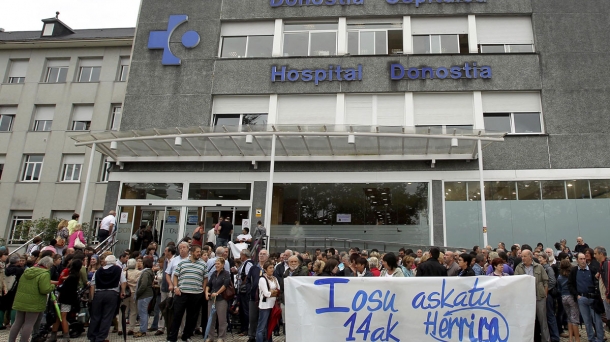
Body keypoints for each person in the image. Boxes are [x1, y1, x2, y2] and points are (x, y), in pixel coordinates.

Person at [8, 256, 55, 342]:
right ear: (48, 265)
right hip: (34, 302)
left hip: (21, 300)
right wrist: (52, 286)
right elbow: (44, 289)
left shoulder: (27, 271)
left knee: (17, 322)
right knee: (29, 324)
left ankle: (11, 340)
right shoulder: (44, 274)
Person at [170, 245, 207, 342]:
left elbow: (205, 278)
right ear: (192, 252)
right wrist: (175, 287)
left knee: (192, 317)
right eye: (198, 252)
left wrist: (202, 290)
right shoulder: (182, 263)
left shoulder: (203, 264)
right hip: (182, 293)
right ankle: (172, 337)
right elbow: (175, 276)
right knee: (177, 315)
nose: (199, 254)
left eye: (200, 252)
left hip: (196, 294)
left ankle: (186, 336)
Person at [87, 255, 127, 342]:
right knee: (107, 316)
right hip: (112, 294)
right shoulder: (118, 270)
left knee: (96, 316)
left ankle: (92, 336)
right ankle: (101, 337)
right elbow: (123, 282)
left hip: (99, 294)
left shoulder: (98, 271)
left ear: (106, 261)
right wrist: (122, 292)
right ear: (114, 262)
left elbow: (92, 284)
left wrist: (92, 297)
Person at [515, 250, 550, 342]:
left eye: (525, 256)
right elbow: (515, 282)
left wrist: (545, 294)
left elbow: (546, 281)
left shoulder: (539, 267)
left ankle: (546, 340)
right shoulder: (519, 268)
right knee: (527, 322)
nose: (523, 258)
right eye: (522, 256)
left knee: (543, 321)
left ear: (530, 257)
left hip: (539, 297)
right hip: (525, 299)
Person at [568, 252, 604, 342]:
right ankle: (591, 338)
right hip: (582, 298)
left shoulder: (592, 269)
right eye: (581, 259)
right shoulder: (574, 271)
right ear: (577, 260)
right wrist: (576, 295)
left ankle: (600, 338)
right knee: (586, 321)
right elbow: (570, 284)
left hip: (593, 298)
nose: (583, 261)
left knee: (597, 320)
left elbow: (598, 281)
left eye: (584, 259)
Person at [48, 259, 82, 342]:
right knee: (59, 316)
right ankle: (55, 334)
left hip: (65, 299)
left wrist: (58, 287)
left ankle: (65, 336)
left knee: (62, 317)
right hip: (69, 299)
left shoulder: (71, 277)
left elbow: (63, 287)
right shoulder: (75, 276)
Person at [204, 256, 231, 342]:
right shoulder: (214, 273)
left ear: (223, 264)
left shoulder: (226, 274)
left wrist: (217, 293)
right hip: (212, 298)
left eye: (218, 264)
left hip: (221, 299)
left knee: (222, 319)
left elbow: (225, 285)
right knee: (211, 318)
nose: (216, 265)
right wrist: (206, 292)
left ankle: (221, 337)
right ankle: (210, 336)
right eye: (215, 264)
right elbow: (209, 284)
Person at [556, 259, 580, 342]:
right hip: (571, 297)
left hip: (563, 297)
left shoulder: (559, 277)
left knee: (569, 318)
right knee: (575, 319)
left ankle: (570, 338)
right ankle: (577, 339)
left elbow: (559, 289)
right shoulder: (571, 275)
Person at [538, 253, 561, 342]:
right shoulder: (541, 268)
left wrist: (545, 291)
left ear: (545, 259)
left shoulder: (548, 268)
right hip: (544, 294)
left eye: (541, 258)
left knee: (550, 315)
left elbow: (552, 281)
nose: (539, 259)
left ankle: (555, 336)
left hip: (549, 295)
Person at [256, 261, 280, 342]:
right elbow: (266, 294)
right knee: (261, 327)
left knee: (269, 326)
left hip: (273, 305)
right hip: (265, 305)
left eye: (273, 267)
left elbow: (278, 290)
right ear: (265, 269)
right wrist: (273, 292)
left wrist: (272, 292)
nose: (272, 269)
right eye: (270, 268)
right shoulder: (262, 279)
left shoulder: (275, 278)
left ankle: (268, 340)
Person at [0, 254, 24, 329]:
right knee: (13, 307)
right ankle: (14, 324)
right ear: (17, 261)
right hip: (15, 290)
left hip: (4, 289)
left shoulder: (5, 268)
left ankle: (0, 324)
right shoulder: (20, 270)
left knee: (1, 307)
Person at [134, 257, 155, 338]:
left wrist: (138, 293)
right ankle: (143, 329)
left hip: (144, 295)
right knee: (144, 312)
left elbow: (143, 285)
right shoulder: (150, 272)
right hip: (148, 294)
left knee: (142, 313)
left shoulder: (145, 273)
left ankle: (142, 330)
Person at [123, 259, 141, 336]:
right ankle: (131, 328)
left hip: (125, 293)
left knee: (124, 311)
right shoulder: (139, 273)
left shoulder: (124, 272)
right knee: (133, 311)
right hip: (134, 293)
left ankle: (122, 328)